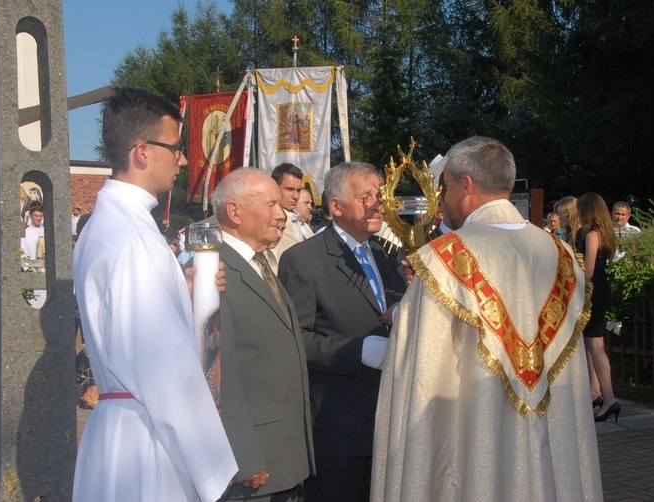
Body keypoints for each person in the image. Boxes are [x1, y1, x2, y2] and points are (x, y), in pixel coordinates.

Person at [371, 137, 602, 501]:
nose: (442, 197)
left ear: (467, 185)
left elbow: (420, 370)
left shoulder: (442, 259)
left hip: (471, 439)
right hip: (547, 425)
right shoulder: (562, 256)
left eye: (444, 186)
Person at [72, 87, 237, 501]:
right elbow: (163, 366)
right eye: (176, 147)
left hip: (121, 427)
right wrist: (214, 464)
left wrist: (178, 291)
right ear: (142, 152)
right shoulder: (133, 238)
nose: (182, 159)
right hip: (146, 443)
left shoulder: (107, 224)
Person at [278, 162, 408, 502]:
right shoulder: (303, 259)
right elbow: (295, 340)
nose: (379, 204)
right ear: (336, 206)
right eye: (366, 196)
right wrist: (358, 351)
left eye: (380, 195)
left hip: (391, 423)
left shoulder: (391, 257)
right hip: (338, 428)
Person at [210, 168, 314, 502]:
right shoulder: (216, 270)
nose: (280, 213)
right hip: (253, 465)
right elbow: (220, 373)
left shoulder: (261, 263)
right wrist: (245, 457)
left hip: (283, 454)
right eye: (270, 204)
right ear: (234, 211)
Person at [578, 193, 620, 422]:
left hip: (594, 290)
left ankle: (609, 398)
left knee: (595, 345)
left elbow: (589, 270)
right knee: (590, 343)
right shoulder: (604, 233)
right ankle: (595, 392)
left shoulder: (593, 235)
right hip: (600, 289)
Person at [270, 163, 306, 261]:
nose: (295, 196)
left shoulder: (302, 223)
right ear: (275, 186)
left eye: (298, 190)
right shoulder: (269, 220)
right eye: (290, 189)